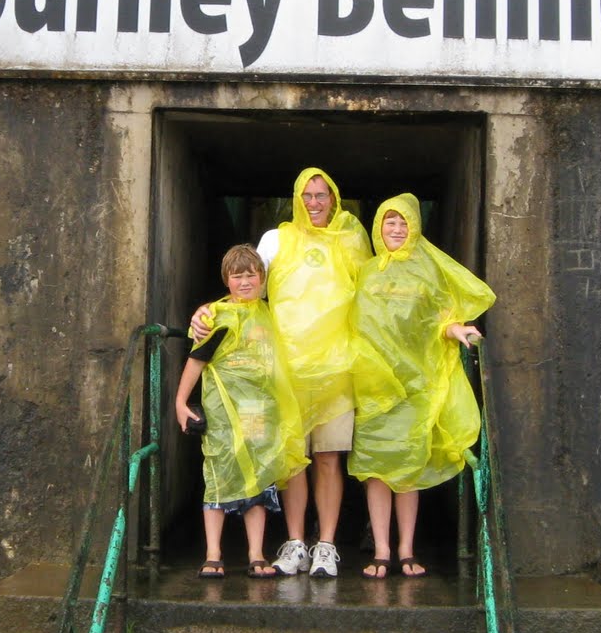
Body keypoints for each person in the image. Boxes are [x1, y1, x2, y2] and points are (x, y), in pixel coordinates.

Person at [193, 167, 373, 577]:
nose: (314, 202)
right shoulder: (277, 239)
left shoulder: (350, 240)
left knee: (328, 458)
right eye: (307, 195)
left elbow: (371, 294)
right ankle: (295, 543)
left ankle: (325, 545)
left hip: (336, 368)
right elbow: (249, 286)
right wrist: (210, 310)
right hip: (284, 368)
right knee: (292, 460)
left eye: (321, 195)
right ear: (296, 197)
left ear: (334, 198)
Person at [348, 193, 495, 579]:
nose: (396, 229)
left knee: (409, 466)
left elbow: (438, 319)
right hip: (374, 386)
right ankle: (381, 551)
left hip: (414, 385)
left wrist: (457, 328)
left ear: (414, 227)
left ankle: (406, 549)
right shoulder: (366, 272)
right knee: (376, 470)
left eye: (403, 222)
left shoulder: (427, 272)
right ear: (378, 227)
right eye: (389, 222)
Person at [173, 244, 307, 579]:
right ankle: (214, 553)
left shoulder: (271, 314)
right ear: (226, 280)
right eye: (238, 276)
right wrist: (180, 402)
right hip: (222, 409)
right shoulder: (217, 316)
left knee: (257, 475)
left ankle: (256, 553)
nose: (245, 282)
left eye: (252, 275)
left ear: (263, 278)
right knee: (218, 473)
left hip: (257, 408)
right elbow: (197, 359)